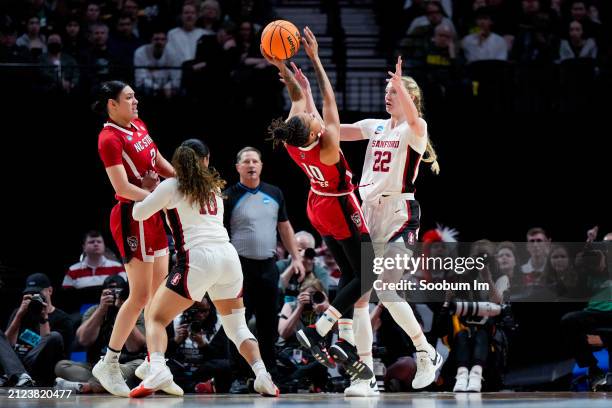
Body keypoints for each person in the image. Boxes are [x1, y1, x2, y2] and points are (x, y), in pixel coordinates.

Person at [290, 52, 443, 395]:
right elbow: (328, 130)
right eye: (387, 91)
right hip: (368, 212)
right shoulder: (375, 126)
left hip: (400, 214)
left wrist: (401, 83)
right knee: (360, 295)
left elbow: (416, 119)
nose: (387, 95)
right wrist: (307, 94)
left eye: (393, 91)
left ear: (410, 98)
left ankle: (425, 351)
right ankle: (365, 374)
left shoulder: (415, 130)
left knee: (386, 288)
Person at [265, 27, 379, 392]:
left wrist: (283, 66)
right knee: (369, 272)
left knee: (349, 273)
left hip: (316, 203)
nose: (315, 117)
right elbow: (329, 103)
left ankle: (341, 338)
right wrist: (313, 58)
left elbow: (300, 99)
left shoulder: (293, 138)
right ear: (314, 132)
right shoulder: (326, 145)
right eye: (315, 121)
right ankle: (321, 327)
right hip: (339, 204)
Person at [128, 138, 279, 398]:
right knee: (238, 328)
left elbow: (138, 214)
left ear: (177, 163)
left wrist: (147, 190)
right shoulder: (214, 188)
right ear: (206, 160)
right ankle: (263, 375)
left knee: (155, 316)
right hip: (229, 258)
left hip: (197, 259)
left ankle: (158, 367)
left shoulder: (171, 186)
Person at [92, 80, 178, 397]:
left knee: (159, 297)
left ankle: (153, 364)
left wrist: (179, 182)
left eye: (135, 96)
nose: (136, 101)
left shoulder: (138, 124)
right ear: (112, 105)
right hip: (133, 216)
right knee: (140, 296)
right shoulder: (108, 138)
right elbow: (122, 188)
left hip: (152, 211)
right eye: (128, 98)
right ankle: (109, 363)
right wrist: (159, 198)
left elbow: (156, 159)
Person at [223, 146, 304, 393]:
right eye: (246, 161)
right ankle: (238, 376)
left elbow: (285, 228)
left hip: (268, 268)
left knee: (268, 325)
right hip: (239, 268)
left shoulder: (274, 193)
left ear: (261, 165)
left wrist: (296, 258)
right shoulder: (228, 196)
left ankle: (269, 374)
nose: (251, 165)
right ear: (237, 167)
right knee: (238, 323)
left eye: (255, 161)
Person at [54, 275, 145, 394]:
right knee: (62, 366)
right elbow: (83, 340)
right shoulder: (94, 311)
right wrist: (101, 310)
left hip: (124, 365)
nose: (114, 295)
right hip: (96, 366)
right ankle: (106, 384)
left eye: (118, 292)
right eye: (110, 292)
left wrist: (124, 312)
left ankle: (87, 386)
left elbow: (135, 347)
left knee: (141, 365)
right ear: (103, 293)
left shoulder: (135, 312)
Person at [5, 273, 73, 386]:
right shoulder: (20, 313)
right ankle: (18, 373)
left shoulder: (63, 319)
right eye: (30, 294)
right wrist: (19, 316)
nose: (34, 297)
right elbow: (6, 346)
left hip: (43, 367)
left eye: (37, 294)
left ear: (50, 291)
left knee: (54, 336)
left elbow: (51, 352)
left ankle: (19, 373)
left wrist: (44, 317)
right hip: (17, 365)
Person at [62, 230, 126, 308]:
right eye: (91, 242)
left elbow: (125, 292)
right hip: (80, 313)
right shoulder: (72, 270)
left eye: (99, 242)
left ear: (104, 246)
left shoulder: (117, 267)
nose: (96, 244)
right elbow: (66, 298)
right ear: (84, 247)